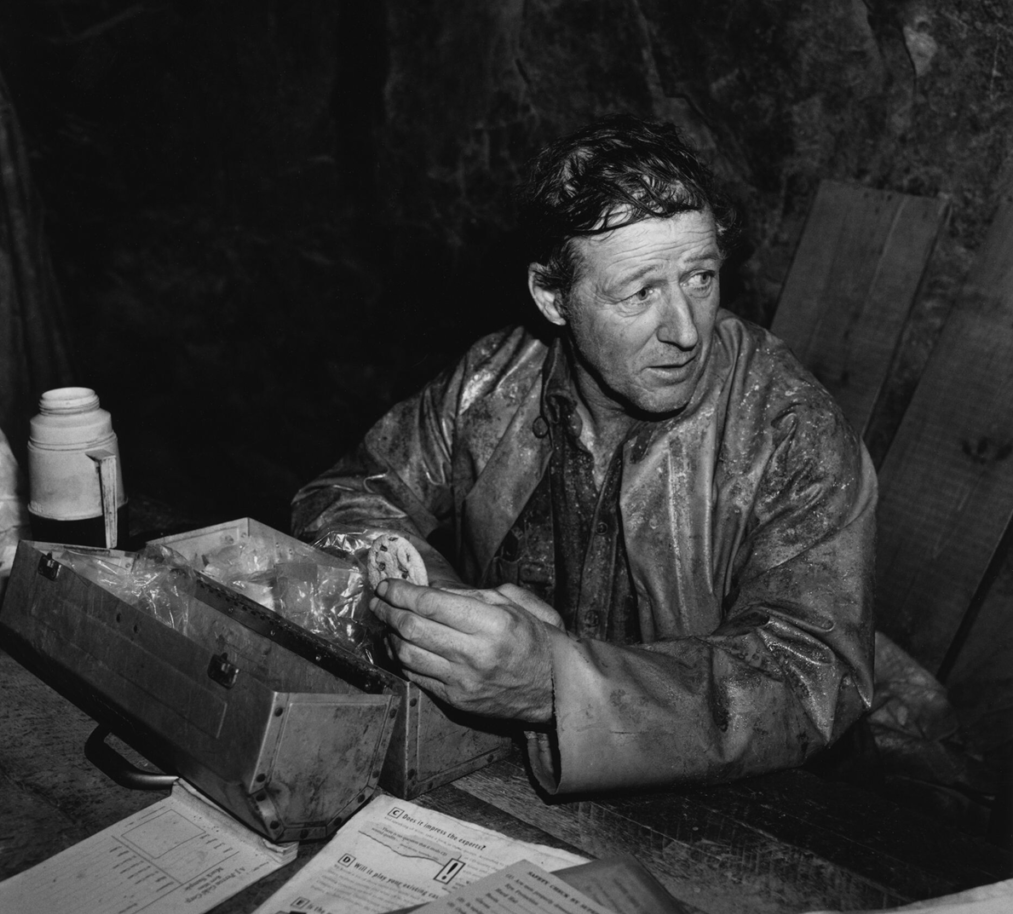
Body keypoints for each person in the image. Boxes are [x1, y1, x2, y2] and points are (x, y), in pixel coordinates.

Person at [292, 115, 876, 794]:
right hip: (515, 781)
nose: (685, 331)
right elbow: (343, 497)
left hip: (753, 806)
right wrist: (448, 608)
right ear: (552, 296)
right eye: (640, 292)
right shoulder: (493, 384)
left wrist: (556, 685)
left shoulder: (788, 429)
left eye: (700, 278)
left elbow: (811, 675)